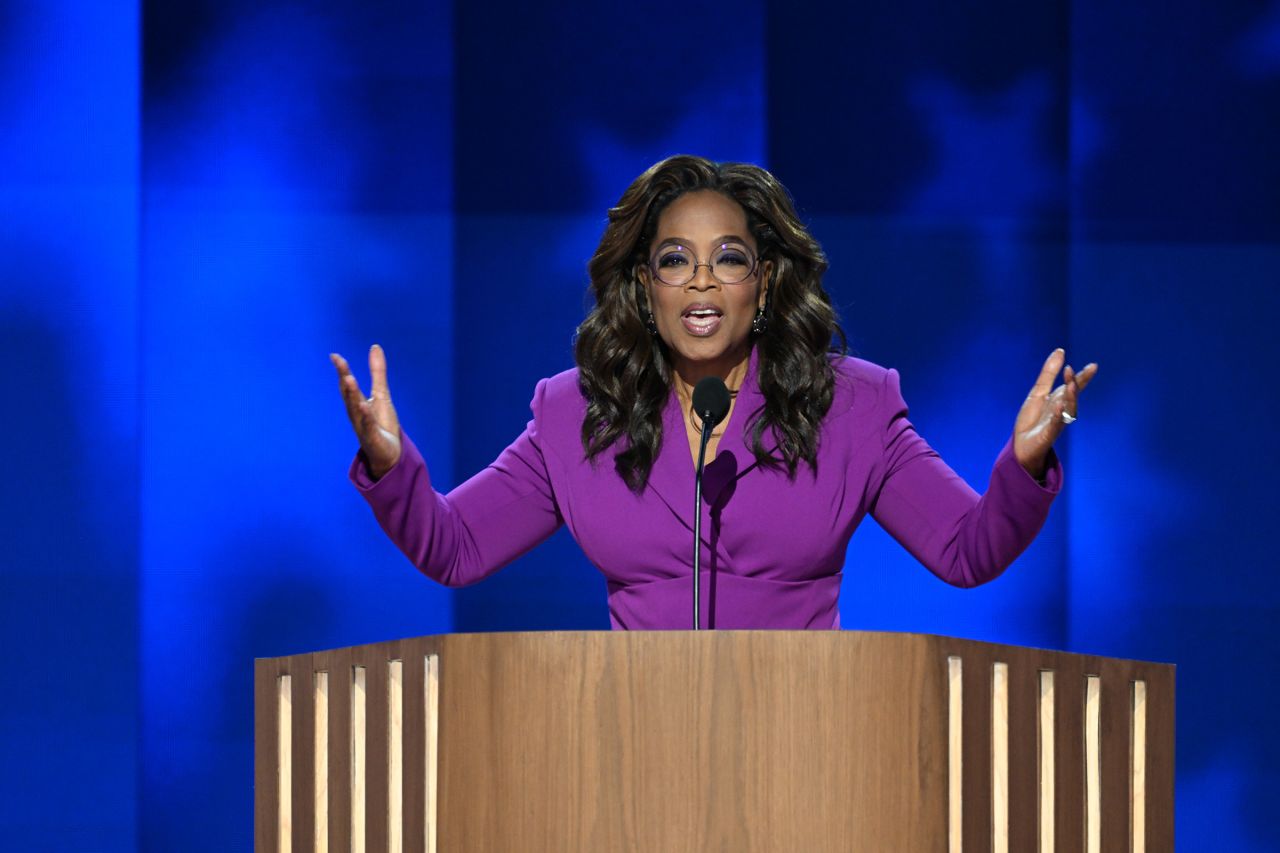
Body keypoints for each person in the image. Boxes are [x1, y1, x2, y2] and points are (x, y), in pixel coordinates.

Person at [331, 155, 1096, 630]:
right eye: (674, 259)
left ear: (761, 285)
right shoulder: (575, 415)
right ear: (645, 286)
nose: (700, 278)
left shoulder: (854, 407)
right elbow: (456, 546)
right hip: (636, 763)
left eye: (727, 257)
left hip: (807, 751)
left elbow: (967, 550)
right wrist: (392, 464)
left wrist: (1023, 465)